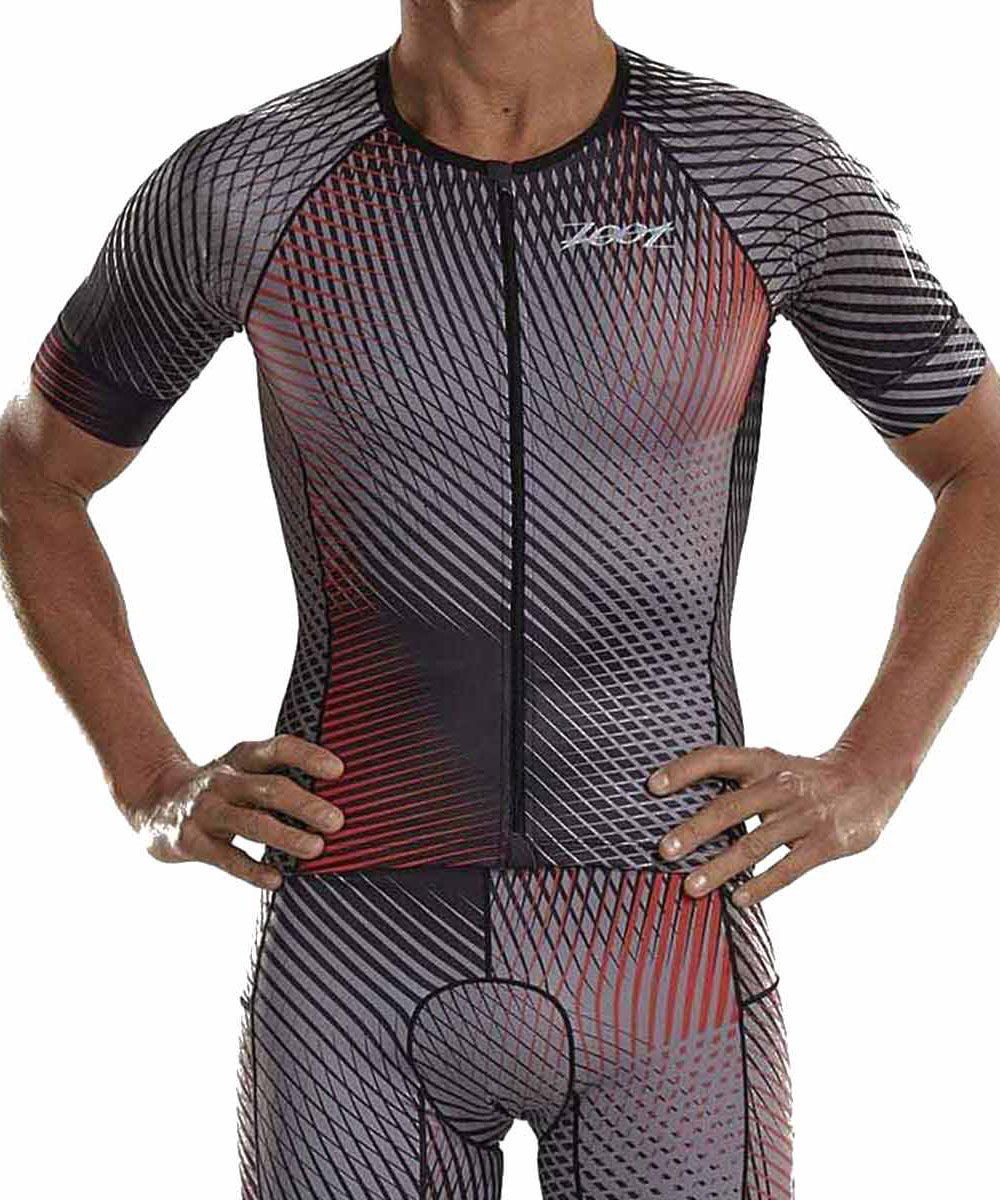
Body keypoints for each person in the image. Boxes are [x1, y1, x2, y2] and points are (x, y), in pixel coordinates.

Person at [3, 1, 998, 1196]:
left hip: (667, 930)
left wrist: (877, 767)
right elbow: (33, 476)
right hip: (355, 951)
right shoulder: (251, 185)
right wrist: (148, 780)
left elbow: (982, 463)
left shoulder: (755, 171)